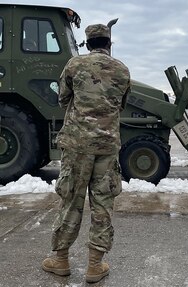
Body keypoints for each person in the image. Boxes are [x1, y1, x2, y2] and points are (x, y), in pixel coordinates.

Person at [42, 23, 130, 283]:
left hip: (78, 145)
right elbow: (121, 105)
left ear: (88, 44)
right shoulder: (122, 70)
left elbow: (62, 99)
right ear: (108, 44)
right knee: (103, 203)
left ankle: (60, 261)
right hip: (107, 146)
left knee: (71, 199)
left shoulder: (74, 65)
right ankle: (95, 265)